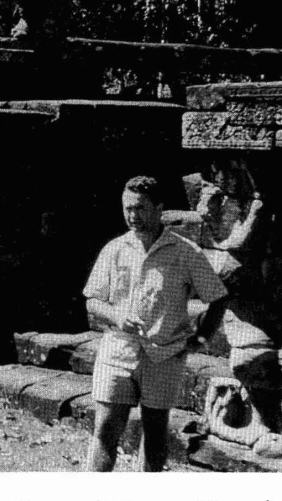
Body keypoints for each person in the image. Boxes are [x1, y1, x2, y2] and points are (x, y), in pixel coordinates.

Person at [85, 175, 228, 472]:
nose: (132, 216)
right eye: (127, 209)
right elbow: (93, 300)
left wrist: (200, 339)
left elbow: (217, 297)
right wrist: (117, 316)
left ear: (159, 208)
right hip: (117, 352)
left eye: (140, 208)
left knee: (154, 435)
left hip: (164, 355)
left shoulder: (185, 252)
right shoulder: (115, 249)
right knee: (105, 431)